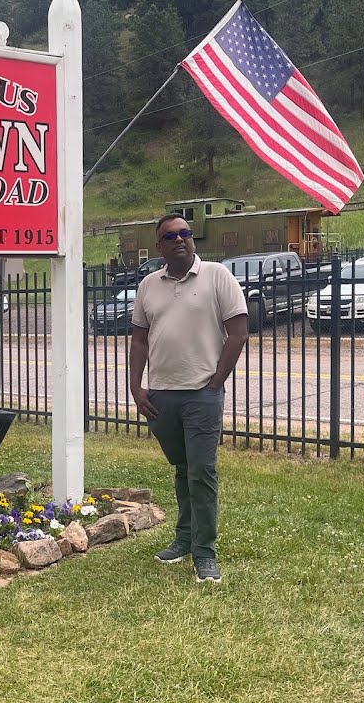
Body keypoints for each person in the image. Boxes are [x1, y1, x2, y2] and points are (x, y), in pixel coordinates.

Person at [129, 214, 248, 584]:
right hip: (161, 396)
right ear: (159, 246)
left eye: (185, 233)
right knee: (183, 469)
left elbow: (238, 333)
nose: (179, 239)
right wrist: (136, 387)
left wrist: (217, 381)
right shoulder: (148, 285)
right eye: (170, 236)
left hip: (201, 394)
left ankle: (204, 553)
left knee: (202, 471)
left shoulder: (217, 276)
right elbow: (139, 340)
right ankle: (183, 539)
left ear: (193, 239)